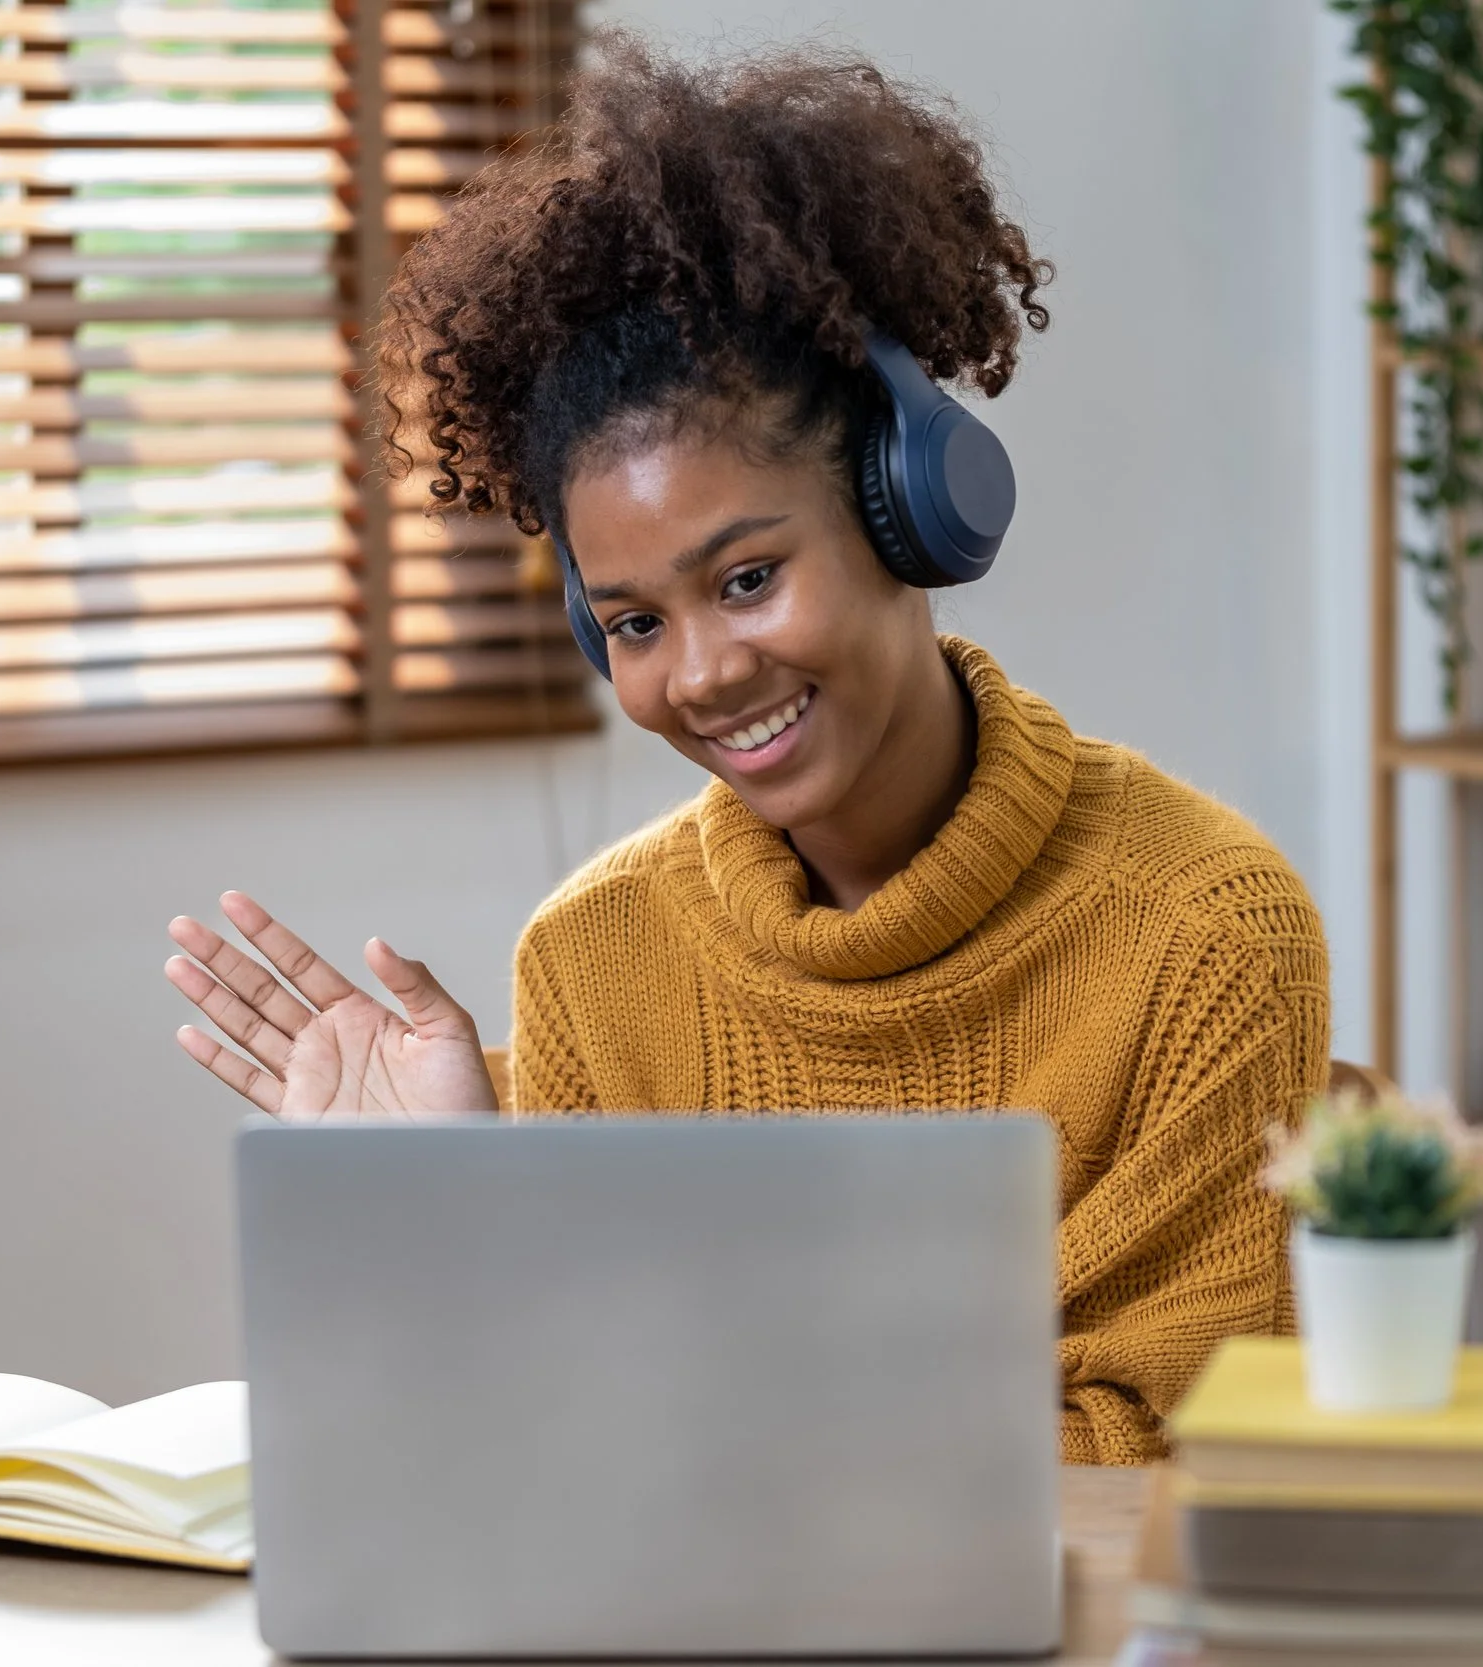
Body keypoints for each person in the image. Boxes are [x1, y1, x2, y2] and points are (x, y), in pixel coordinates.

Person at [162, 36, 1329, 1465]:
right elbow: (551, 1455)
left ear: (912, 511)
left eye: (748, 578)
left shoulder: (1202, 932)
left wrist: (700, 1402)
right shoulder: (591, 963)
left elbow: (1176, 1457)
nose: (704, 673)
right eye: (636, 620)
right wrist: (453, 1208)